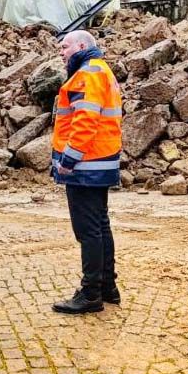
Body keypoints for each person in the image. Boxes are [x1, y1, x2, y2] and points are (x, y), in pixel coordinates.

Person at [50, 30, 123, 314]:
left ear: (82, 46)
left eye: (65, 46)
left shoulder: (87, 73)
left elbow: (85, 121)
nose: (61, 51)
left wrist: (67, 160)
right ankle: (107, 288)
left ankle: (91, 293)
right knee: (100, 226)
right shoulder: (101, 70)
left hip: (85, 165)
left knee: (88, 230)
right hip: (100, 161)